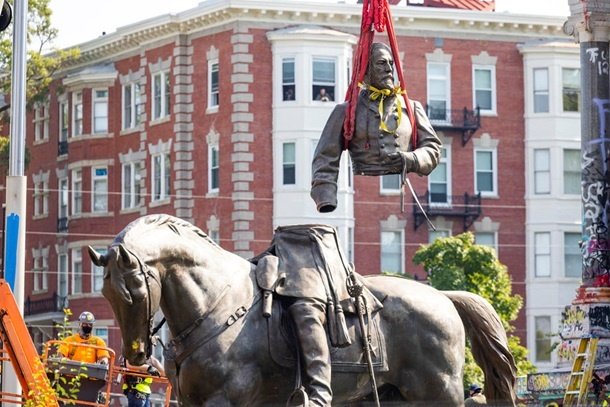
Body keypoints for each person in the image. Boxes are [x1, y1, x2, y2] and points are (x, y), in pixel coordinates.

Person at [311, 42, 441, 213]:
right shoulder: (347, 111)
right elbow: (325, 156)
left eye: (391, 63)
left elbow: (433, 148)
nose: (389, 69)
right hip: (364, 177)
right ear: (365, 70)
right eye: (381, 63)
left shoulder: (411, 108)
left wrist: (411, 159)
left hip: (399, 188)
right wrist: (326, 196)